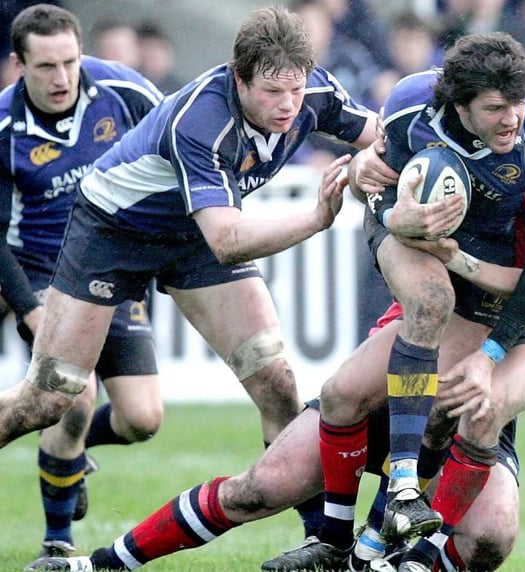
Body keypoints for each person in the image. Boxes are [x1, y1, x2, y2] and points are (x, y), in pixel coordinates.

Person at [27, 51, 525, 572]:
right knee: (277, 469)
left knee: (490, 522)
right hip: (452, 302)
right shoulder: (484, 106)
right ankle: (110, 564)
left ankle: (377, 551)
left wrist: (463, 281)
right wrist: (396, 213)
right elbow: (370, 171)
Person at [0, 4, 387, 462]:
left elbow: (383, 136)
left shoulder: (314, 90)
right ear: (239, 79)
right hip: (113, 232)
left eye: (296, 89)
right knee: (49, 398)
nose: (288, 105)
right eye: (271, 91)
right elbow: (226, 242)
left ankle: (321, 532)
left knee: (276, 381)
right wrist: (315, 218)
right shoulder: (201, 120)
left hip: (193, 232)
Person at [265, 31, 525, 570]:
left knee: (353, 396)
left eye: (520, 104)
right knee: (267, 483)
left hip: (482, 287)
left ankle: (363, 541)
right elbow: (371, 183)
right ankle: (382, 508)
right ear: (459, 106)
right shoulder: (411, 105)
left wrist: (494, 354)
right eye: (496, 108)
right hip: (405, 233)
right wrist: (392, 212)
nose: (513, 119)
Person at [0, 3, 164, 560]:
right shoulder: (4, 128)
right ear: (18, 65)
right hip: (42, 272)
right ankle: (58, 541)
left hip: (113, 270)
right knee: (71, 393)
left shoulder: (124, 90)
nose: (62, 77)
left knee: (143, 419)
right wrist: (29, 308)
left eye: (70, 61)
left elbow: (178, 147)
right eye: (45, 66)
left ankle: (69, 459)